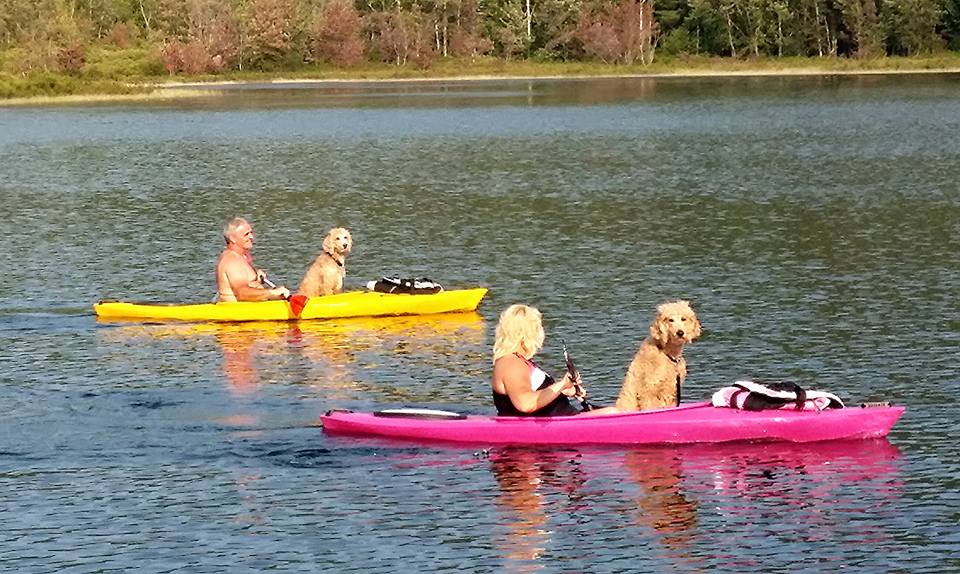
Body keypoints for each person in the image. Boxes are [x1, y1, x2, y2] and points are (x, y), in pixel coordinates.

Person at [491, 304, 617, 417]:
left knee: (618, 411)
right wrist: (561, 384)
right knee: (613, 413)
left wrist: (565, 390)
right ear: (528, 333)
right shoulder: (512, 364)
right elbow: (525, 404)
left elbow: (537, 395)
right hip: (559, 424)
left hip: (567, 418)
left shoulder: (520, 360)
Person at [215, 217, 290, 302]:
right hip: (238, 312)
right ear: (232, 239)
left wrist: (255, 273)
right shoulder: (232, 261)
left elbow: (244, 276)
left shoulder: (241, 256)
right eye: (246, 234)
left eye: (251, 233)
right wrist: (273, 292)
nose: (251, 237)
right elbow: (242, 293)